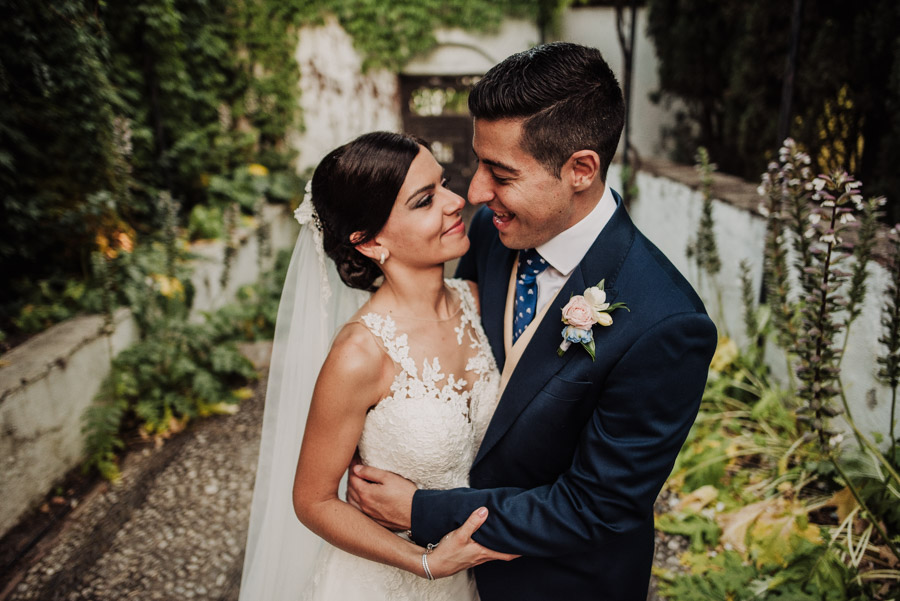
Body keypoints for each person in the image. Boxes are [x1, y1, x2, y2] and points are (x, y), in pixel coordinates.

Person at [347, 42, 718, 601]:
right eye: (479, 163)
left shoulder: (666, 323)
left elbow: (597, 506)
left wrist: (422, 511)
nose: (475, 192)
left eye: (500, 173)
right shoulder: (491, 234)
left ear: (580, 170)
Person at [238, 131, 516, 601]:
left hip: (474, 581)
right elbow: (313, 501)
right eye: (425, 200)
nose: (456, 202)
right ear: (369, 242)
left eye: (444, 184)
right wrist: (425, 563)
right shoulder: (360, 353)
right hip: (387, 583)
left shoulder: (475, 300)